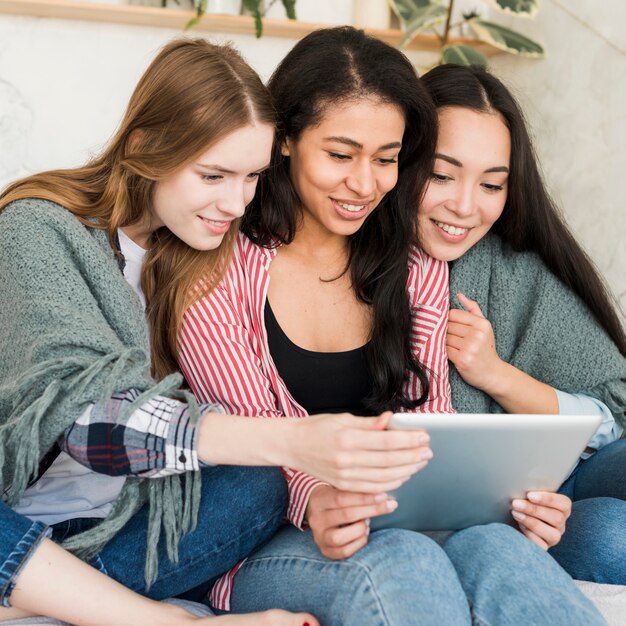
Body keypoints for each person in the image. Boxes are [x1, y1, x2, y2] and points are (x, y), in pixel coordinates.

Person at [177, 27, 606, 625]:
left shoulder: (415, 265)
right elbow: (261, 445)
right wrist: (322, 499)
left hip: (401, 514)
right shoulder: (214, 271)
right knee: (403, 559)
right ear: (285, 140)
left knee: (500, 546)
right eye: (340, 154)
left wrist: (510, 504)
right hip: (272, 538)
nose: (365, 183)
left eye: (386, 159)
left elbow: (430, 418)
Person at [0, 37, 426, 626]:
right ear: (146, 147)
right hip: (16, 512)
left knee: (256, 485)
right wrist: (294, 440)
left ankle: (42, 594)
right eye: (213, 174)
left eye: (252, 176)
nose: (235, 202)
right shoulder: (40, 229)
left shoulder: (202, 256)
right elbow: (89, 424)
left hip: (109, 532)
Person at [418, 63, 626, 584]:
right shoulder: (352, 272)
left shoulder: (510, 268)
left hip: (573, 475)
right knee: (610, 538)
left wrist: (495, 375)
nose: (464, 207)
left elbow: (614, 411)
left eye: (492, 184)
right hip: (507, 517)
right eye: (441, 175)